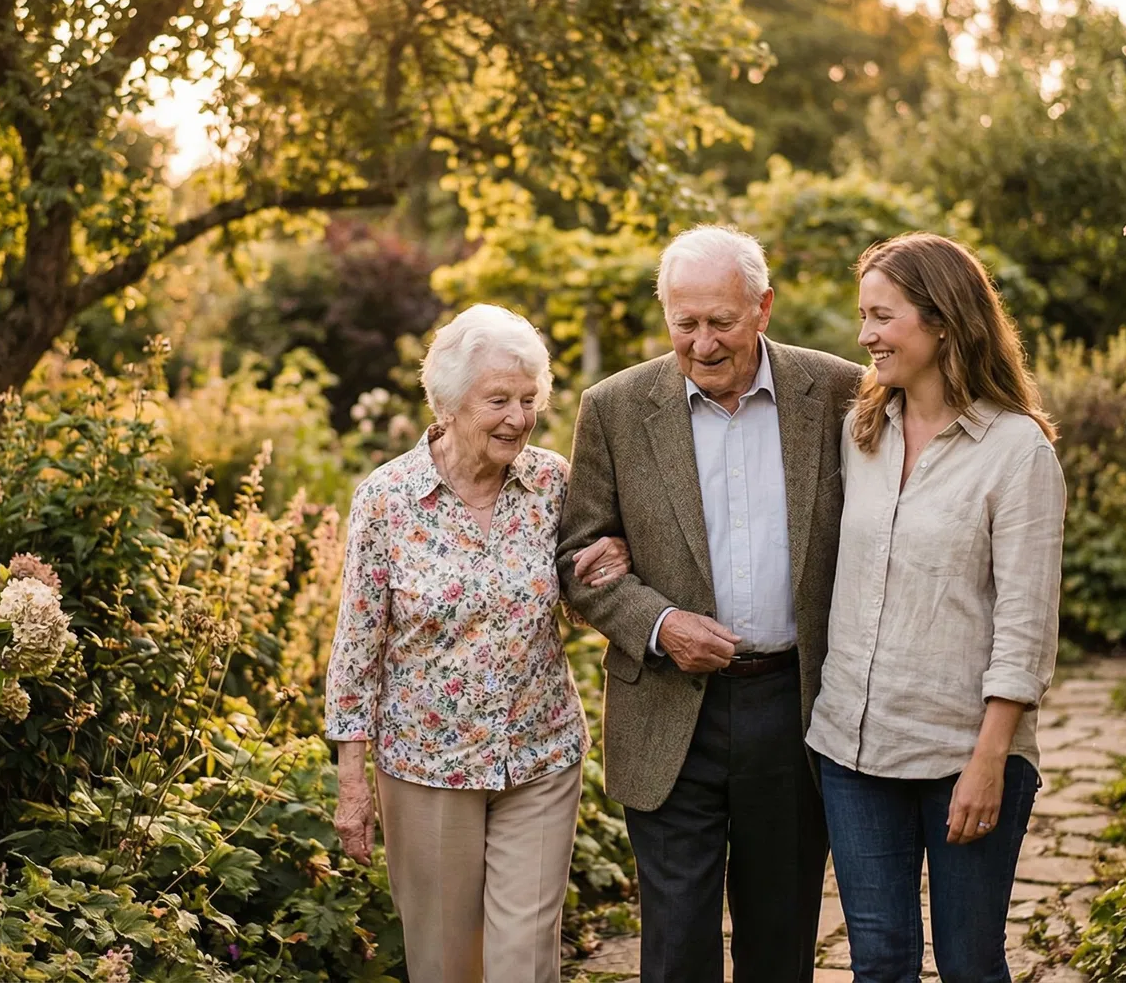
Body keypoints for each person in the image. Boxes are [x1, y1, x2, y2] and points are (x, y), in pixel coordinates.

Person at [557, 225, 865, 983]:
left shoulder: (836, 391)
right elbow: (576, 563)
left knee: (781, 937)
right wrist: (657, 625)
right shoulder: (615, 408)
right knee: (675, 945)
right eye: (683, 322)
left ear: (762, 308)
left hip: (791, 706)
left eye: (719, 321)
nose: (701, 343)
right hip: (666, 709)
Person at [324, 304, 630, 983]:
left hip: (539, 755)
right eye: (499, 401)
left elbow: (577, 596)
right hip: (428, 766)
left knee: (525, 964)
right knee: (445, 965)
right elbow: (357, 643)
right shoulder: (389, 499)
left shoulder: (550, 482)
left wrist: (605, 566)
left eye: (529, 400)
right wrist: (353, 780)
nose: (518, 419)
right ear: (450, 402)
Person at [809, 233, 1066, 983]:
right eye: (863, 317)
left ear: (944, 320)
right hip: (854, 751)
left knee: (969, 967)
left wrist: (989, 760)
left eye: (882, 317)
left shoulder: (1017, 452)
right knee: (879, 965)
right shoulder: (859, 431)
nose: (865, 336)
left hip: (966, 754)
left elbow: (1027, 626)